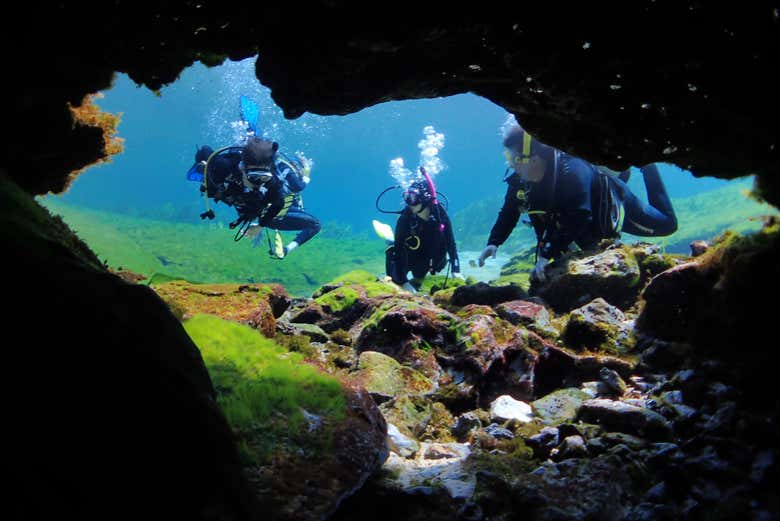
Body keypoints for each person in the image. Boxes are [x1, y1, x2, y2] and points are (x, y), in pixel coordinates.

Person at [478, 124, 677, 283]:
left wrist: (546, 254)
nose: (511, 164)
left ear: (534, 158)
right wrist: (494, 242)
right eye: (508, 158)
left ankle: (648, 166)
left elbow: (580, 214)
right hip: (577, 227)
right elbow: (509, 211)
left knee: (668, 225)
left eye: (514, 158)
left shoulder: (572, 169)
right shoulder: (521, 181)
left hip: (609, 205)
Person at [191, 137, 286, 235]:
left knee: (255, 207)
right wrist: (200, 162)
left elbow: (279, 203)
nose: (259, 184)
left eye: (264, 177)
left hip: (244, 197)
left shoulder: (272, 182)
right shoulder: (224, 166)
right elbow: (205, 149)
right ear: (242, 169)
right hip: (229, 182)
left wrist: (261, 225)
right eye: (253, 177)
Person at [385, 178, 463, 293]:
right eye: (406, 197)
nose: (409, 203)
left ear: (425, 199)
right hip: (409, 255)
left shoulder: (440, 215)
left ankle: (417, 279)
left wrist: (456, 270)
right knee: (393, 258)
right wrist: (403, 282)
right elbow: (399, 249)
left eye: (412, 198)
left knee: (420, 275)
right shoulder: (405, 217)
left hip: (426, 258)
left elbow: (451, 243)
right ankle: (390, 241)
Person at [250, 150, 321, 259]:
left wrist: (260, 223)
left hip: (267, 219)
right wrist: (306, 174)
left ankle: (261, 227)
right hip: (278, 217)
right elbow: (299, 186)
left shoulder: (276, 175)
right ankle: (286, 250)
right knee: (315, 225)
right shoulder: (287, 172)